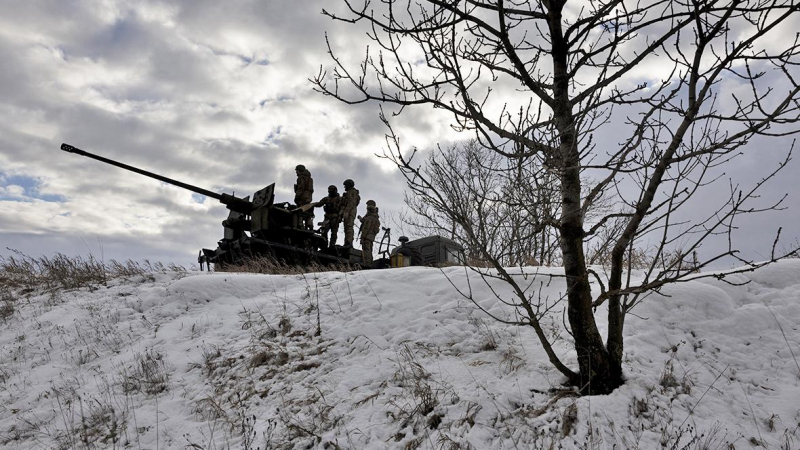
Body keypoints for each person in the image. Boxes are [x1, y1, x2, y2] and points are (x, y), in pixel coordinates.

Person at [358, 200, 380, 266]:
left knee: (366, 251)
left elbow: (365, 229)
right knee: (369, 251)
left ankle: (367, 265)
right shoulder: (375, 218)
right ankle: (370, 264)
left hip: (366, 237)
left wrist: (362, 237)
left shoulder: (369, 218)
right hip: (371, 237)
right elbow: (376, 230)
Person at [340, 178, 360, 246]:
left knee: (349, 227)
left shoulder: (352, 192)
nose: (345, 187)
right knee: (346, 227)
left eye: (346, 185)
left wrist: (346, 211)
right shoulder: (349, 192)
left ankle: (349, 242)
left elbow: (351, 202)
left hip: (350, 211)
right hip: (349, 211)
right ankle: (347, 242)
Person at [294, 164, 314, 229]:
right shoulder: (310, 178)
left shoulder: (301, 178)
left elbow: (301, 188)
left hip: (302, 198)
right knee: (308, 212)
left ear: (299, 170)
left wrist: (297, 196)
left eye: (296, 170)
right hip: (308, 198)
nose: (296, 172)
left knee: (299, 212)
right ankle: (309, 225)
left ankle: (300, 225)